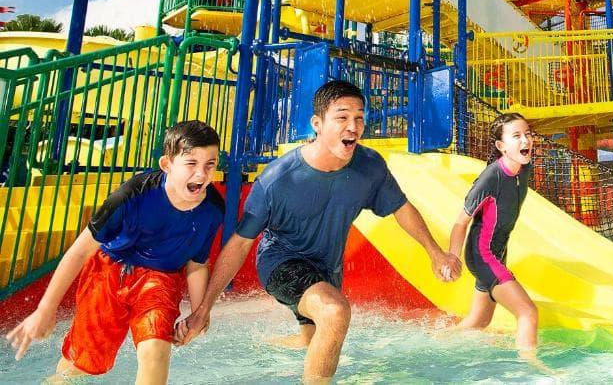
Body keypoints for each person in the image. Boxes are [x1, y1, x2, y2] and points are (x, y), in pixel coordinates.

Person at [179, 80, 461, 384]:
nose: (353, 126)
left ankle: (262, 348)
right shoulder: (278, 179)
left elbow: (401, 208)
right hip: (281, 262)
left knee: (314, 339)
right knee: (334, 311)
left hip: (327, 270)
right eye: (342, 117)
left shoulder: (370, 167)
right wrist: (204, 309)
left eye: (359, 117)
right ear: (317, 124)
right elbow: (239, 244)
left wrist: (435, 253)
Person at [5, 121, 224, 384]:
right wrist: (45, 309)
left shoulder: (213, 208)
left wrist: (198, 314)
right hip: (108, 272)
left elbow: (197, 262)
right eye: (191, 163)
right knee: (81, 365)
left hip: (160, 279)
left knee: (156, 351)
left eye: (210, 164)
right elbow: (79, 252)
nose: (201, 174)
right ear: (167, 164)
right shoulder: (131, 196)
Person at [448, 112, 539, 358]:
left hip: (499, 252)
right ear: (501, 146)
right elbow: (460, 222)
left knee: (479, 322)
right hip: (483, 255)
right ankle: (532, 368)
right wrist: (452, 258)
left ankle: (434, 342)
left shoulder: (524, 167)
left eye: (528, 134)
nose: (525, 140)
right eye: (516, 136)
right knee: (528, 313)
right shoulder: (491, 177)